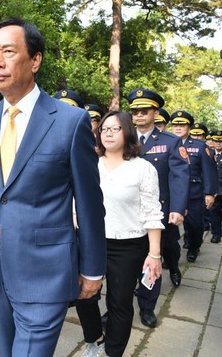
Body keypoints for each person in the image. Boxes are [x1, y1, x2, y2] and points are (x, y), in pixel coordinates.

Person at [0, 18, 106, 356]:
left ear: (35, 60)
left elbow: (89, 203)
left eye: (8, 52)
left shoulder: (69, 122)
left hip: (46, 268)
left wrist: (92, 268)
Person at [77, 111, 164, 357]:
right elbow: (76, 202)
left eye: (115, 128)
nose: (108, 133)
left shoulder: (142, 168)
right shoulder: (89, 165)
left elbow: (152, 213)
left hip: (127, 245)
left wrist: (154, 254)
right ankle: (95, 339)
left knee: (119, 303)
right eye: (104, 129)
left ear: (127, 132)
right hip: (91, 242)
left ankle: (113, 352)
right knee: (83, 295)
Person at [127, 88, 189, 328]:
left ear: (155, 112)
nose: (139, 115)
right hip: (127, 212)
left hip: (157, 213)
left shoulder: (170, 141)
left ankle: (147, 306)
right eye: (135, 111)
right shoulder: (124, 137)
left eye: (144, 111)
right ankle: (118, 307)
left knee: (152, 260)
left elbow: (179, 176)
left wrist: (178, 208)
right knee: (125, 263)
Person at [170, 110, 217, 262]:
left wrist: (209, 193)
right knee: (169, 227)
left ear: (188, 127)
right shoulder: (167, 143)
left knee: (196, 224)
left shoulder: (200, 146)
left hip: (194, 192)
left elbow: (208, 171)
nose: (178, 128)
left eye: (182, 124)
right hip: (172, 192)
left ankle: (193, 246)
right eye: (175, 125)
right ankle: (169, 255)